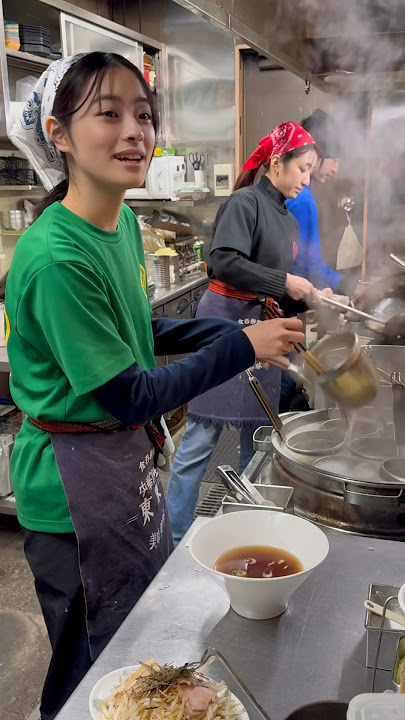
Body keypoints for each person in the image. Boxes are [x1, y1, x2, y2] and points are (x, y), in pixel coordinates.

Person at [5, 53, 305, 720]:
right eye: (107, 113)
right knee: (87, 670)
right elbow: (129, 394)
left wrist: (245, 333)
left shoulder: (119, 227)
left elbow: (135, 333)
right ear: (58, 133)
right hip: (69, 493)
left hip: (120, 470)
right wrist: (238, 346)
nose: (133, 130)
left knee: (134, 654)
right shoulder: (56, 256)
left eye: (142, 114)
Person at [166, 122, 328, 545]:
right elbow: (223, 262)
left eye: (312, 170)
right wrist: (285, 282)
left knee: (254, 440)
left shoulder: (287, 220)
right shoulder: (245, 202)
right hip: (224, 324)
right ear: (278, 161)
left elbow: (280, 289)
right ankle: (175, 535)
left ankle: (239, 529)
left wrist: (311, 296)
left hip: (265, 330)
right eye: (303, 169)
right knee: (202, 436)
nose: (307, 180)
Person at [286, 109, 343, 291]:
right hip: (284, 298)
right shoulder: (301, 198)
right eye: (334, 159)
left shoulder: (286, 189)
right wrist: (347, 286)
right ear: (316, 155)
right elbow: (310, 267)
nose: (336, 169)